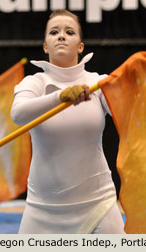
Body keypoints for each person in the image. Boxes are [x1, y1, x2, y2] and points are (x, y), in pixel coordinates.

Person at [10, 9, 125, 233]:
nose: (61, 36)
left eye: (69, 32)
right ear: (45, 46)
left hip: (98, 204)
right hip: (42, 209)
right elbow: (18, 114)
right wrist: (60, 97)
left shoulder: (98, 82)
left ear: (80, 46)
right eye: (54, 32)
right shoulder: (33, 83)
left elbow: (126, 113)